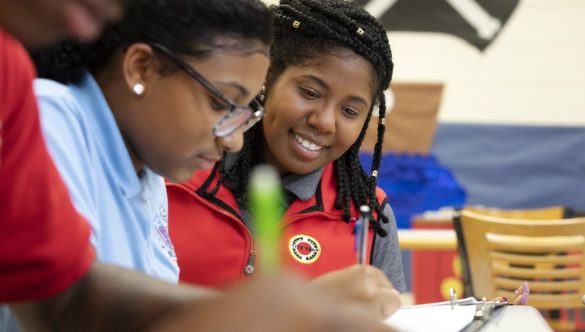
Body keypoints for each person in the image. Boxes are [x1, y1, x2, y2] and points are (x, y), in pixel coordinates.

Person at [25, 0, 399, 330]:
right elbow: (63, 300)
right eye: (223, 103)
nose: (234, 139)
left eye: (350, 111)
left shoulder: (151, 167)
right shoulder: (51, 121)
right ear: (141, 68)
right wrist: (272, 313)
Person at [167, 0, 406, 296]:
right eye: (310, 93)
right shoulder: (173, 173)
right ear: (267, 77)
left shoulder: (368, 215)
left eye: (350, 111)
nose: (325, 122)